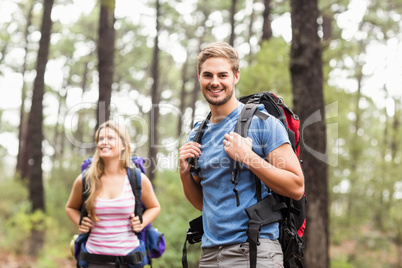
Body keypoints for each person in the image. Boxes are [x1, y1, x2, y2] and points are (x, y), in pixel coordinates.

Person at [178, 42, 304, 268]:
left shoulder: (263, 123)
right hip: (209, 254)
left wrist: (248, 157)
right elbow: (204, 204)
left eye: (222, 75)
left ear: (236, 76)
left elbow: (296, 186)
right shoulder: (198, 134)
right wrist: (184, 173)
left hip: (255, 250)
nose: (214, 82)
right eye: (208, 75)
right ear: (199, 77)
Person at [66, 120, 161, 268]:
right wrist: (80, 221)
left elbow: (154, 206)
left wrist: (142, 222)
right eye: (100, 139)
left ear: (124, 145)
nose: (104, 142)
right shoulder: (85, 179)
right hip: (92, 260)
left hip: (129, 260)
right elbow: (70, 207)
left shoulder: (137, 179)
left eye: (110, 138)